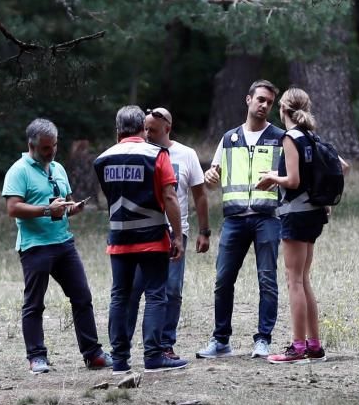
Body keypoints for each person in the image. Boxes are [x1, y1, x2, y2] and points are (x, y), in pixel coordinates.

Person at [2, 118, 112, 374]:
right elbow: (13, 208)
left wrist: (73, 209)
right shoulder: (18, 171)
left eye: (54, 146)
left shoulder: (58, 169)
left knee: (82, 297)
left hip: (64, 244)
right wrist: (45, 210)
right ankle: (37, 357)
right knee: (34, 303)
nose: (51, 151)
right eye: (45, 148)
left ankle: (93, 354)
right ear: (32, 145)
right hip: (35, 247)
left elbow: (65, 205)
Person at [93, 105, 188, 374]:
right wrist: (177, 236)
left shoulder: (102, 159)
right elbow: (169, 197)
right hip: (151, 238)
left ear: (117, 129)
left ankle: (120, 361)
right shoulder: (156, 154)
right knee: (156, 295)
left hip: (119, 238)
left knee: (119, 296)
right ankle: (154, 357)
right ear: (141, 128)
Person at [256, 87, 346, 363]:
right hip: (314, 213)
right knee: (304, 279)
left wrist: (272, 178)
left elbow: (293, 180)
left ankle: (297, 347)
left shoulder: (290, 137)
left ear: (283, 109)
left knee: (294, 280)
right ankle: (314, 346)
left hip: (295, 214)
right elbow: (342, 166)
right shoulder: (312, 137)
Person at [197, 80, 286, 360]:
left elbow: (292, 178)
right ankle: (221, 340)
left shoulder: (281, 139)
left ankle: (263, 339)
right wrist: (210, 178)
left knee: (267, 280)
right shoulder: (229, 138)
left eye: (269, 102)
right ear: (248, 100)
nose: (264, 105)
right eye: (260, 99)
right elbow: (213, 177)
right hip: (234, 219)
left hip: (267, 218)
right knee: (223, 280)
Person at [123, 107, 211, 360]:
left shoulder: (186, 155)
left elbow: (200, 195)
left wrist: (204, 231)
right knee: (133, 290)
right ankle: (122, 345)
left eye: (153, 130)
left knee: (171, 290)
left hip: (175, 232)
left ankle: (165, 344)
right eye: (146, 129)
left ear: (167, 128)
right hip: (143, 231)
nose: (148, 134)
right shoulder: (139, 153)